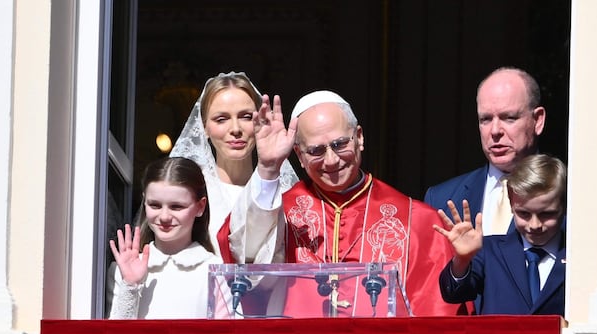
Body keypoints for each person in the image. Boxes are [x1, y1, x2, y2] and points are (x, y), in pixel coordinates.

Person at [223, 90, 460, 317]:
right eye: (316, 150)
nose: (331, 160)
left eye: (339, 144)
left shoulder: (416, 220)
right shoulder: (279, 213)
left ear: (359, 137)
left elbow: (437, 317)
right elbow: (245, 259)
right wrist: (268, 168)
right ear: (300, 156)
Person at [170, 71, 297, 253]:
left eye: (246, 117)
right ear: (204, 127)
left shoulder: (284, 192)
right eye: (221, 119)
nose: (235, 129)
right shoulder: (189, 192)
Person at [434, 153, 566, 315]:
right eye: (524, 214)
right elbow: (454, 294)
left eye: (547, 214)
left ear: (564, 207)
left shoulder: (578, 257)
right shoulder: (490, 251)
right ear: (511, 204)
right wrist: (462, 260)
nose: (535, 225)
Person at [424, 67, 546, 236]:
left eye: (509, 117)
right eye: (486, 119)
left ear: (538, 120)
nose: (495, 131)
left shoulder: (570, 194)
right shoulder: (441, 199)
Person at [107, 156, 227, 319]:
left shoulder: (217, 271)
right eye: (154, 205)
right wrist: (130, 285)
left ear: (200, 207)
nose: (164, 216)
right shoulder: (121, 269)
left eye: (176, 207)